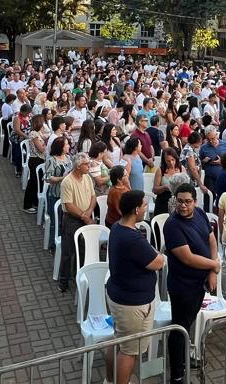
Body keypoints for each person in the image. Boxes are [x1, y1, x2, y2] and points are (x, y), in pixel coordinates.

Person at [105, 189, 166, 384]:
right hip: (133, 304)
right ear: (137, 209)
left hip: (119, 295)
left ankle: (110, 379)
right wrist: (162, 257)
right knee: (130, 351)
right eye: (145, 205)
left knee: (118, 341)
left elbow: (147, 253)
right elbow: (157, 262)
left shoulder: (117, 227)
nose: (147, 209)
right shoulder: (131, 239)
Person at [162, 183, 219, 383]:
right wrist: (215, 265)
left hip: (199, 283)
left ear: (195, 201)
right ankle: (177, 373)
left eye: (187, 202)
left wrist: (212, 270)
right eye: (179, 201)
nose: (183, 206)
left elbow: (211, 239)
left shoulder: (201, 214)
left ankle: (185, 359)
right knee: (179, 328)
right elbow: (187, 258)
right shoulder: (172, 225)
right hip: (182, 286)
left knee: (188, 323)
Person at [57, 153, 96, 293]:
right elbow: (68, 205)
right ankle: (63, 280)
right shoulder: (67, 182)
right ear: (78, 166)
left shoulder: (87, 178)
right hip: (72, 219)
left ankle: (79, 275)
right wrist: (84, 216)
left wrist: (89, 211)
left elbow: (93, 196)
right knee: (68, 251)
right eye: (86, 164)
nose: (89, 166)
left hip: (85, 216)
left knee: (84, 248)